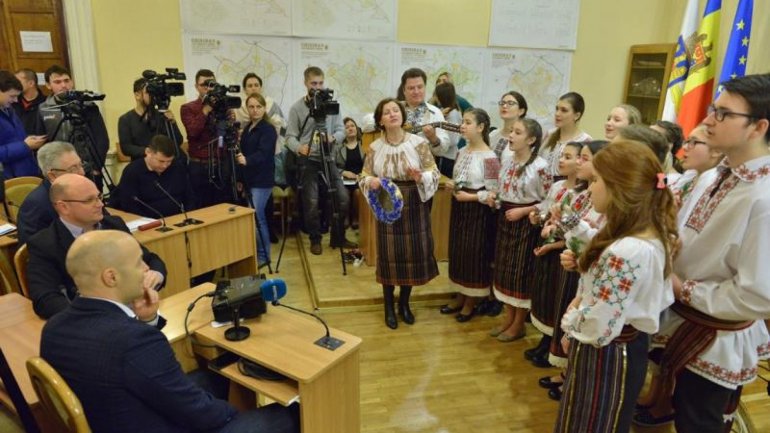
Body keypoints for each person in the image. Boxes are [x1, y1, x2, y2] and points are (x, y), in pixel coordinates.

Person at [40, 230, 300, 433]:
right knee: (287, 414)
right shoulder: (135, 341)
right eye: (138, 262)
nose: (146, 269)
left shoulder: (54, 327)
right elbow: (195, 411)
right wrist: (233, 415)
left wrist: (148, 319)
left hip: (116, 417)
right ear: (111, 277)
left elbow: (130, 370)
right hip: (158, 423)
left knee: (216, 375)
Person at [649, 74, 770, 433]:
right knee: (677, 408)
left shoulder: (763, 198)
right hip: (682, 313)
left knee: (698, 420)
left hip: (717, 331)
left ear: (758, 127)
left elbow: (757, 293)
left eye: (722, 113)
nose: (707, 120)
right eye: (712, 109)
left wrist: (682, 288)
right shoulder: (713, 174)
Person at [554, 140, 677, 433]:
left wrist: (571, 321)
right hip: (616, 346)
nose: (591, 187)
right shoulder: (641, 234)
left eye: (596, 180)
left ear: (618, 189)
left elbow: (598, 324)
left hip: (608, 353)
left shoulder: (629, 250)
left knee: (593, 423)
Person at [27, 174, 167, 319]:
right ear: (64, 207)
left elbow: (150, 259)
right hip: (90, 322)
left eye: (99, 197)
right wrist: (92, 317)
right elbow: (45, 299)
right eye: (89, 200)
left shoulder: (114, 224)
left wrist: (156, 275)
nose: (100, 204)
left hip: (138, 310)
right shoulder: (44, 244)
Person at [359, 98, 441, 329]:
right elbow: (363, 176)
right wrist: (372, 181)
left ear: (402, 116)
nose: (393, 114)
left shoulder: (419, 144)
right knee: (389, 256)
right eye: (387, 112)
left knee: (411, 254)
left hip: (414, 202)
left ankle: (404, 303)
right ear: (381, 120)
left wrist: (420, 177)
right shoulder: (374, 148)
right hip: (387, 202)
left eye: (396, 110)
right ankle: (388, 307)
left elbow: (433, 173)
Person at [481, 118, 552, 342]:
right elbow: (502, 188)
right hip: (505, 219)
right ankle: (508, 318)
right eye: (511, 131)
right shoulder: (507, 158)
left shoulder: (541, 166)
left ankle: (519, 323)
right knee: (505, 271)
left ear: (531, 139)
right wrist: (496, 198)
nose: (511, 136)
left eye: (518, 132)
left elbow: (549, 200)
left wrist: (524, 211)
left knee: (520, 274)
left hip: (526, 224)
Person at [285, 66, 354, 255]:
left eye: (320, 83)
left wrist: (334, 138)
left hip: (328, 157)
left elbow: (340, 130)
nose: (317, 87)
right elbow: (289, 137)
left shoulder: (332, 105)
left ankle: (337, 238)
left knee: (342, 198)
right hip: (308, 160)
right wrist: (299, 147)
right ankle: (315, 239)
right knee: (311, 202)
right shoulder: (297, 108)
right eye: (313, 83)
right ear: (306, 83)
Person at [526, 141, 583, 368]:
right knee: (546, 295)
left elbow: (575, 229)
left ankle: (555, 347)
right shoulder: (558, 187)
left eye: (568, 157)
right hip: (548, 247)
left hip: (564, 252)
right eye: (561, 156)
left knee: (560, 298)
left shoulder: (582, 193)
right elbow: (547, 211)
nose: (561, 161)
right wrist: (537, 217)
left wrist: (554, 241)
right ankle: (545, 339)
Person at [439, 108, 499, 322]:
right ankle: (459, 294)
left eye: (468, 122)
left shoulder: (490, 157)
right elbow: (461, 179)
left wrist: (472, 198)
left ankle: (471, 300)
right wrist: (453, 186)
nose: (462, 126)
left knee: (474, 254)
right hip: (460, 207)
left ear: (481, 127)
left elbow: (494, 193)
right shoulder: (462, 151)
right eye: (462, 121)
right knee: (459, 251)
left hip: (478, 211)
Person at [39, 65, 109, 190]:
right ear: (48, 85)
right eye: (57, 82)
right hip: (59, 170)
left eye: (66, 81)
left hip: (88, 168)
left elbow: (101, 138)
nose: (63, 85)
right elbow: (41, 142)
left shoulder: (87, 106)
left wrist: (97, 168)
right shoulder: (43, 109)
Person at [180, 69, 232, 207]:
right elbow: (192, 132)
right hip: (199, 166)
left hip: (220, 163)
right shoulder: (188, 108)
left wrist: (229, 119)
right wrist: (206, 109)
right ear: (197, 87)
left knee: (222, 206)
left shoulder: (223, 107)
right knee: (200, 207)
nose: (209, 88)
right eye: (205, 85)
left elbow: (230, 135)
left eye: (212, 84)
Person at [17, 141, 85, 245]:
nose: (82, 173)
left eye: (80, 165)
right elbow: (34, 249)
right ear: (52, 176)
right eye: (73, 169)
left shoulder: (85, 189)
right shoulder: (36, 205)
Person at [236, 93, 277, 267]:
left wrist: (247, 160)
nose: (255, 110)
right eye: (251, 107)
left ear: (264, 108)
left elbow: (264, 153)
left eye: (258, 106)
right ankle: (258, 253)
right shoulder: (247, 128)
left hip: (262, 180)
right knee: (254, 216)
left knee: (257, 216)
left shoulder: (268, 129)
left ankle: (264, 255)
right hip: (249, 179)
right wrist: (240, 178)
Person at [117, 135, 194, 217]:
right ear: (148, 152)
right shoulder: (132, 171)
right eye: (161, 161)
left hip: (177, 220)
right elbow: (129, 205)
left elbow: (189, 197)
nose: (165, 166)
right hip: (147, 223)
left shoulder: (177, 167)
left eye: (169, 161)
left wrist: (188, 216)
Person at [117, 77, 184, 161]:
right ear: (137, 95)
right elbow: (126, 148)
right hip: (141, 165)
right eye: (149, 92)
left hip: (164, 164)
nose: (152, 96)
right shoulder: (126, 119)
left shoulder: (162, 115)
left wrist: (173, 123)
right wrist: (148, 151)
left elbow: (178, 141)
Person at [399, 68, 450, 165]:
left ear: (425, 87)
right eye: (411, 88)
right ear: (404, 90)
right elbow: (368, 122)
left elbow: (443, 150)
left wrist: (434, 139)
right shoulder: (395, 109)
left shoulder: (435, 113)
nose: (416, 91)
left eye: (420, 87)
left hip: (422, 171)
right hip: (394, 167)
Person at [0, 70, 44, 178]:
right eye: (12, 96)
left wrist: (30, 140)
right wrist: (25, 146)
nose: (15, 100)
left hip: (27, 173)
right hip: (9, 180)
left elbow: (15, 138)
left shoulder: (9, 109)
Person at [540, 92, 592, 177]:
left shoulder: (585, 141)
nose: (557, 114)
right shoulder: (549, 135)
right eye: (557, 109)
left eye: (564, 110)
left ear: (577, 115)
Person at [335, 117, 364, 229]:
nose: (350, 128)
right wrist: (343, 172)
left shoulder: (364, 145)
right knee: (344, 193)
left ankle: (356, 218)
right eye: (347, 127)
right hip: (344, 180)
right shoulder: (338, 148)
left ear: (357, 129)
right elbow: (333, 166)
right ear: (343, 132)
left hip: (360, 179)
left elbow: (370, 165)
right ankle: (346, 217)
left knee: (357, 193)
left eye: (352, 126)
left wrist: (362, 175)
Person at [432, 82, 461, 177]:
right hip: (442, 156)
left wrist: (436, 139)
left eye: (436, 95)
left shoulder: (452, 114)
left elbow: (453, 140)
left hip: (446, 158)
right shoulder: (444, 112)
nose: (434, 97)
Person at [489, 91, 528, 163]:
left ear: (521, 111)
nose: (504, 106)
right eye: (502, 103)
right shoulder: (492, 134)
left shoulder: (525, 139)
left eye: (510, 103)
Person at [12, 68, 46, 135]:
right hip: (17, 143)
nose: (14, 85)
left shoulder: (46, 103)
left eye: (17, 81)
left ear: (31, 83)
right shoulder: (11, 102)